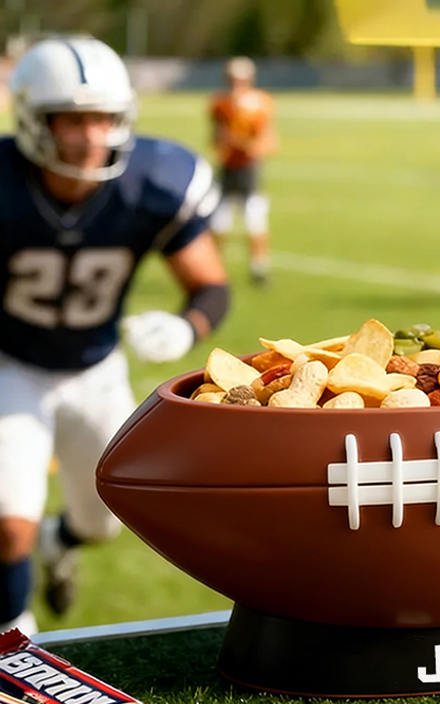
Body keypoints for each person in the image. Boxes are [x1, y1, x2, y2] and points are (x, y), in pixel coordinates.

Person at [0, 36, 230, 634]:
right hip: (11, 364)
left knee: (106, 521)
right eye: (73, 119)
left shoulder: (153, 179)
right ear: (32, 118)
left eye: (103, 118)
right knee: (7, 522)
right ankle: (14, 648)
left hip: (97, 369)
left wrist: (187, 325)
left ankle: (61, 540)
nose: (90, 135)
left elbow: (210, 284)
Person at [209, 56, 279, 285]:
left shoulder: (261, 102)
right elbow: (217, 138)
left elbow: (266, 141)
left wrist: (245, 144)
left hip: (249, 170)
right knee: (219, 221)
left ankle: (259, 267)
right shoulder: (220, 104)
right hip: (228, 169)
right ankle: (214, 267)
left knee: (254, 219)